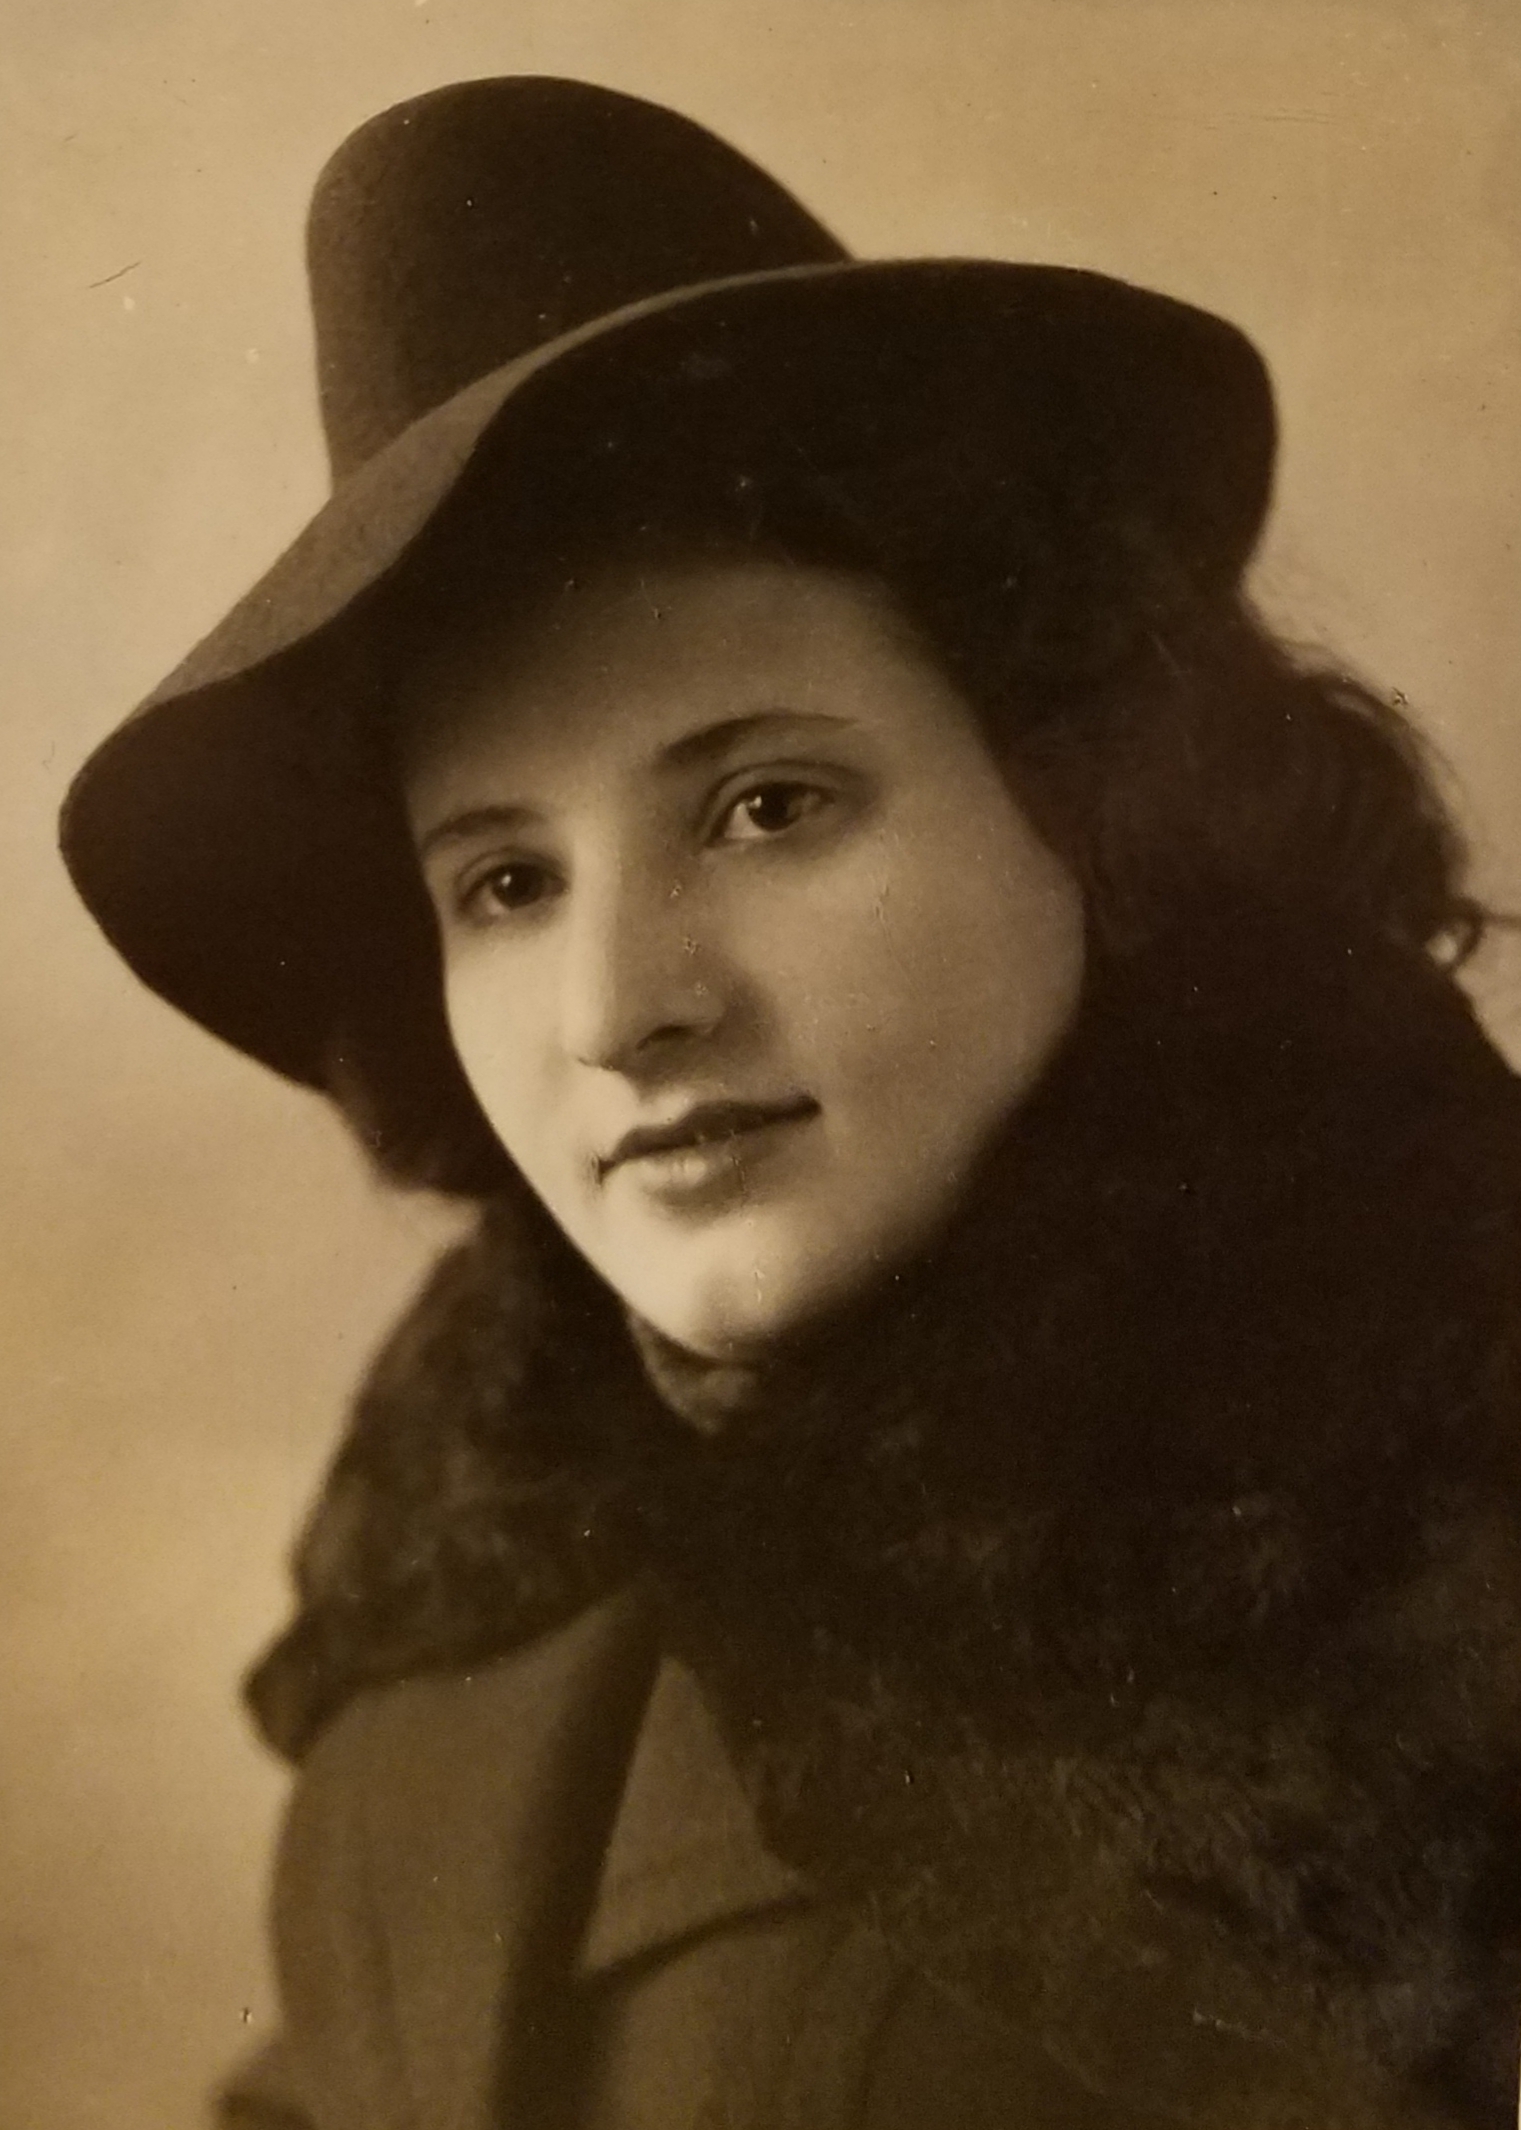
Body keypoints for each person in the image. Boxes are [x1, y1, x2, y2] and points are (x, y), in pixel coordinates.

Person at [60, 77, 1521, 2130]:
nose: (617, 1010)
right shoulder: (472, 1540)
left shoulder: (1439, 1464)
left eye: (766, 804)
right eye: (504, 882)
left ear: (1086, 798)